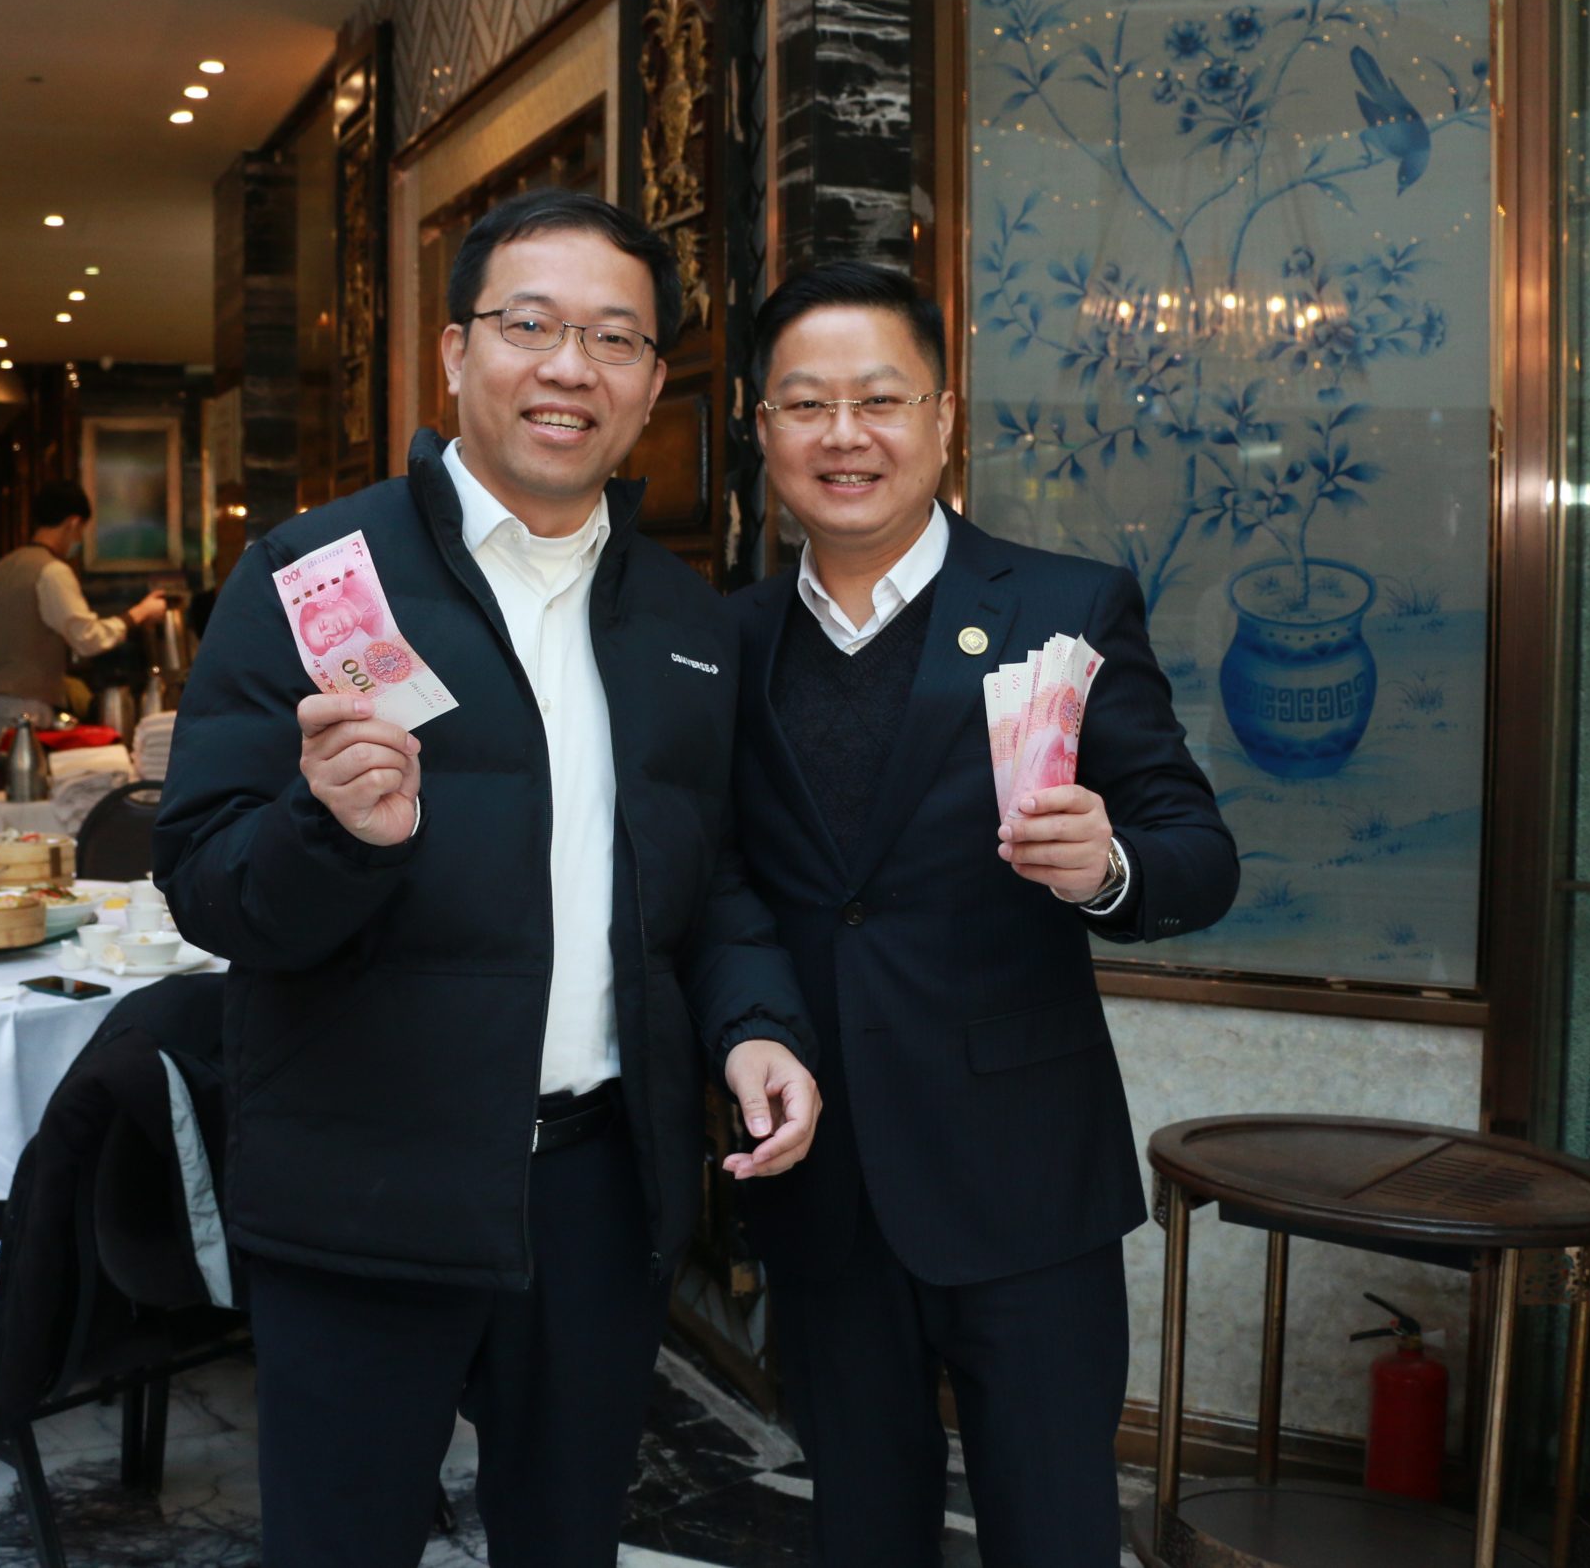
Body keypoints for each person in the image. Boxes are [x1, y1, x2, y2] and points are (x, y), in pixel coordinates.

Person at [155, 188, 822, 1568]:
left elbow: (715, 881)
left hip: (597, 1193)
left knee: (566, 1541)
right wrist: (331, 829)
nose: (571, 366)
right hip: (363, 1184)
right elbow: (209, 886)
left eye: (615, 338)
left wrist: (758, 1025)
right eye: (531, 325)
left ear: (652, 385)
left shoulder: (687, 622)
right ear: (456, 351)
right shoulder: (312, 575)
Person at [728, 263, 1238, 1566]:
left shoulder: (1063, 606)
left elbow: (1197, 850)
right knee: (862, 1531)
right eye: (806, 404)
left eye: (880, 399)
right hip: (824, 1182)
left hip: (1022, 1180)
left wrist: (1107, 864)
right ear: (762, 427)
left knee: (1053, 1531)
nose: (845, 435)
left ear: (944, 418)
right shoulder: (725, 642)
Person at [0, 480, 167, 743]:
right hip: (29, 707)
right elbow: (87, 638)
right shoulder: (52, 571)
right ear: (73, 523)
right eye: (81, 531)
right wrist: (139, 613)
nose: (79, 540)